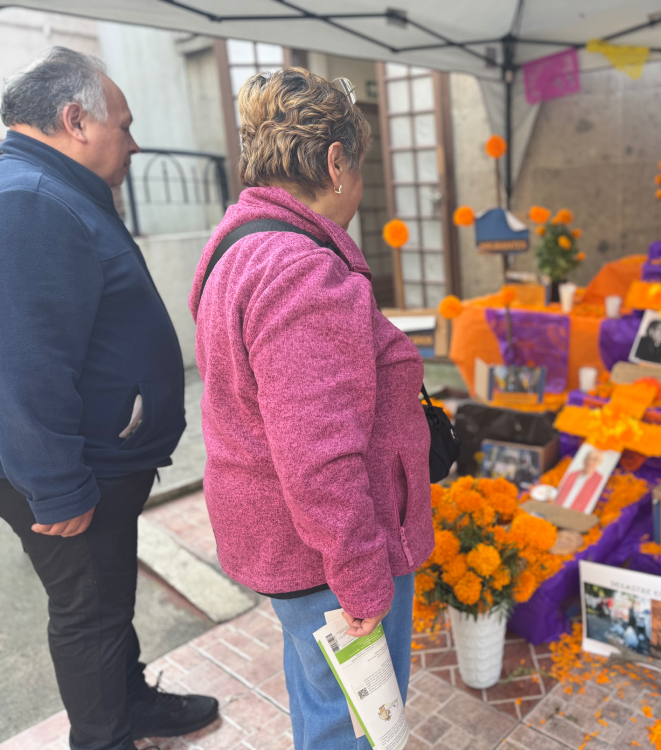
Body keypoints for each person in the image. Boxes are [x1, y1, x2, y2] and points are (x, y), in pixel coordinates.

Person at [188, 68, 433, 749]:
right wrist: (362, 578)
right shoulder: (301, 271)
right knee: (356, 724)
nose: (359, 187)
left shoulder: (241, 245)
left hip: (287, 539)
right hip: (326, 552)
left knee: (321, 701)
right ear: (335, 163)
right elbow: (317, 453)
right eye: (359, 169)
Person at [0, 48, 218, 749]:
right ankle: (105, 737)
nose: (133, 142)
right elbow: (21, 363)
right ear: (76, 121)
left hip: (98, 458)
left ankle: (132, 703)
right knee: (89, 611)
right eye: (123, 125)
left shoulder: (51, 188)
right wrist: (57, 487)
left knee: (107, 595)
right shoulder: (30, 199)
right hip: (74, 468)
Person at [556, 446, 607, 513]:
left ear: (599, 463)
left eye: (595, 460)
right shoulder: (572, 474)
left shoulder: (599, 479)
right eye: (589, 458)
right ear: (585, 459)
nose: (590, 462)